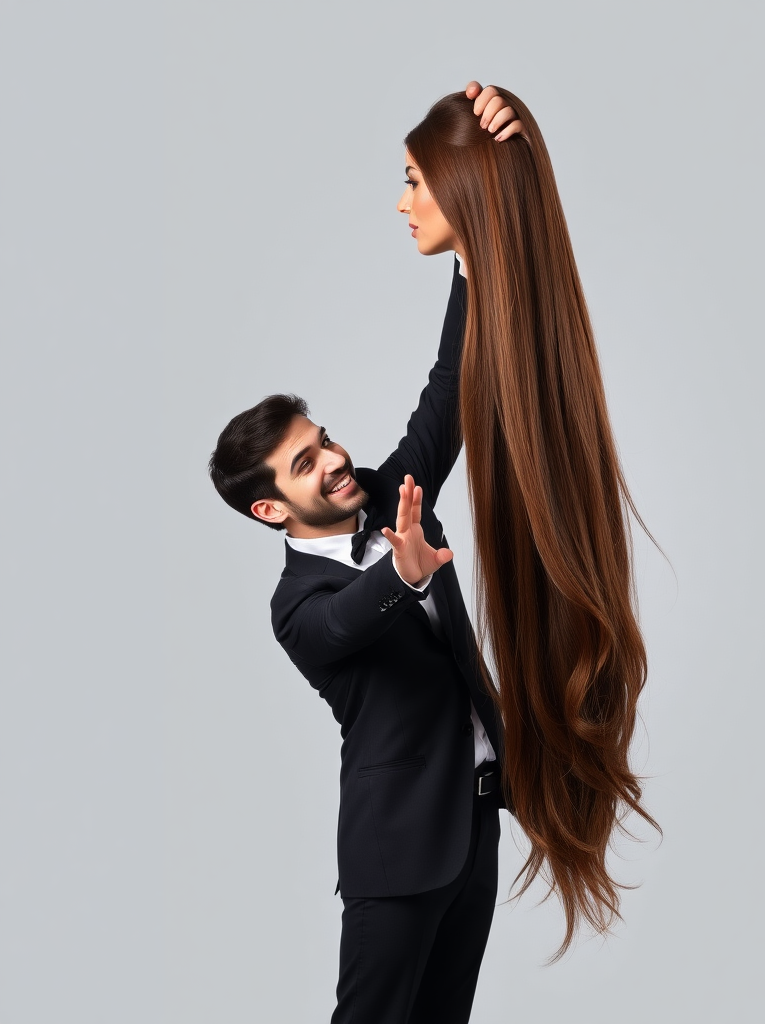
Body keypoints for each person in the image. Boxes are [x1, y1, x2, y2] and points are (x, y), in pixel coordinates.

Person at [209, 83, 522, 1024]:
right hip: (393, 858)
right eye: (308, 463)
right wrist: (405, 572)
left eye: (327, 437)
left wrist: (471, 242)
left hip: (471, 829)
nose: (337, 459)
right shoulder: (297, 608)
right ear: (272, 508)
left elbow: (447, 394)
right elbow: (353, 619)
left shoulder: (393, 495)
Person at [398, 88, 658, 959]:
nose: (402, 204)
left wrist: (519, 163)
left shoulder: (510, 309)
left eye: (413, 182)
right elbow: (445, 404)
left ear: (461, 188)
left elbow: (442, 406)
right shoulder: (481, 294)